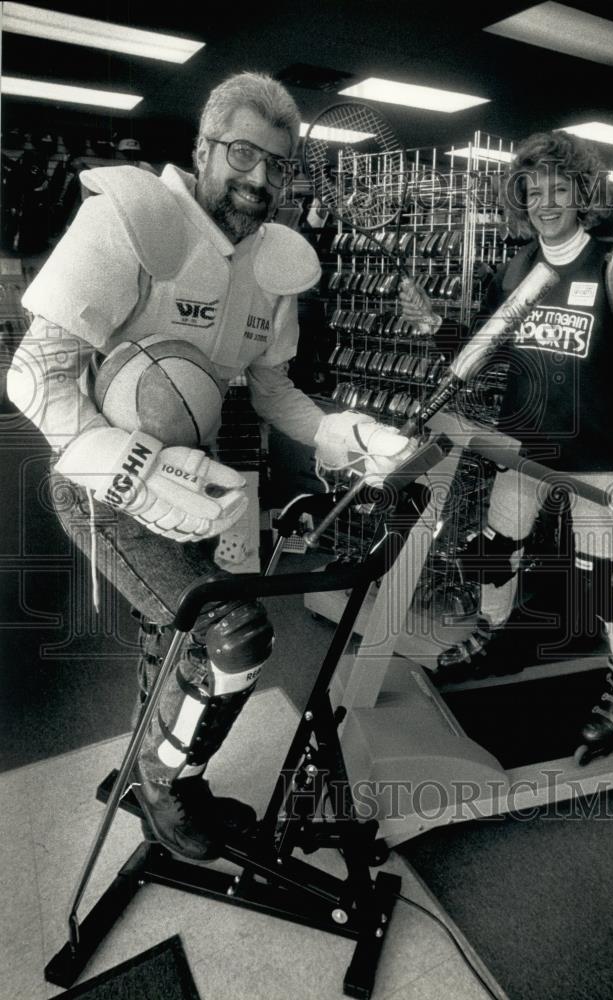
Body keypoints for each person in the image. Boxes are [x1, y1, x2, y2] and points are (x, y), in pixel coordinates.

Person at [8, 71, 412, 859]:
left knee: (174, 639)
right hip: (101, 483)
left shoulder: (274, 263)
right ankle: (168, 785)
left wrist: (348, 433)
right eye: (242, 154)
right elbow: (33, 376)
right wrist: (130, 464)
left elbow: (274, 393)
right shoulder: (130, 217)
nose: (260, 179)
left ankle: (142, 767)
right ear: (203, 147)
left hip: (202, 482)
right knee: (234, 640)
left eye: (279, 164)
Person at [400, 130, 613, 763]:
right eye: (534, 190)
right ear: (519, 196)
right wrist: (434, 327)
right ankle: (496, 634)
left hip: (602, 450)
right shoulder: (518, 268)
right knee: (499, 547)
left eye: (559, 189)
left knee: (603, 579)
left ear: (582, 195)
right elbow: (483, 356)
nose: (546, 202)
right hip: (525, 445)